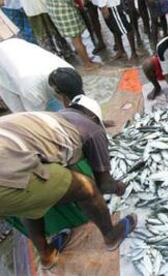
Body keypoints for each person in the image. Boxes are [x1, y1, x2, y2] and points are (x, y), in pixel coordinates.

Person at [0, 96, 137, 269]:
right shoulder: (92, 129)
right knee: (87, 188)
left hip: (7, 164)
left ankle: (46, 254)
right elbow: (104, 185)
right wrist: (119, 188)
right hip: (6, 172)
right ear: (94, 117)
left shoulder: (50, 117)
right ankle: (111, 236)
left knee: (27, 201)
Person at [0, 38, 73, 112]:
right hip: (4, 67)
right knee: (21, 111)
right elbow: (36, 115)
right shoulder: (32, 88)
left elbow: (73, 100)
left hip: (15, 46)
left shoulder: (69, 71)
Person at [46, 0, 99, 70]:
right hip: (65, 11)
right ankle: (87, 64)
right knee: (77, 40)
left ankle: (87, 60)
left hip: (56, 9)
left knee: (76, 39)